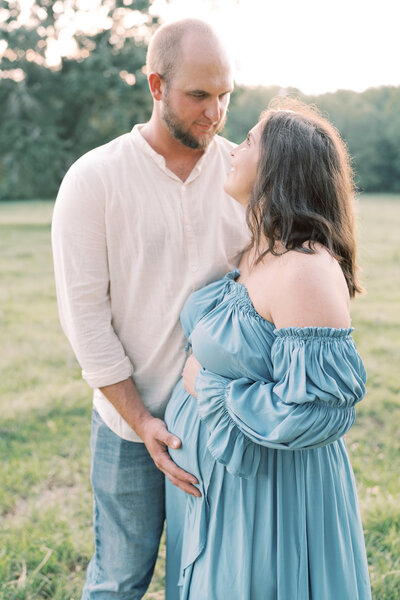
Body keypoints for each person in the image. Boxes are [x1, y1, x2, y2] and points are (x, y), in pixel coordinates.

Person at [51, 19, 249, 599]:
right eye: (198, 96)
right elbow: (86, 322)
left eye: (225, 95)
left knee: (214, 582)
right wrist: (142, 422)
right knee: (118, 581)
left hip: (221, 427)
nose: (215, 113)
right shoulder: (94, 179)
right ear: (157, 85)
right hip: (127, 428)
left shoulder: (246, 173)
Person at [165, 98, 372, 599]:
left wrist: (207, 385)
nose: (234, 147)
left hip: (272, 499)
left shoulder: (305, 268)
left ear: (281, 164)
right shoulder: (256, 249)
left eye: (251, 139)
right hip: (223, 488)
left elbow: (317, 414)